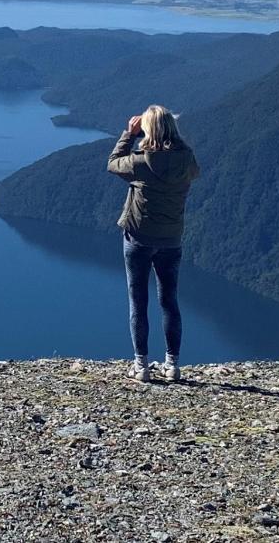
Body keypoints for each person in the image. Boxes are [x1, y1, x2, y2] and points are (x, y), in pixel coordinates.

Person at [107, 104, 200, 382]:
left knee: (139, 301)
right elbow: (194, 172)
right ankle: (172, 365)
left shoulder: (139, 162)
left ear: (147, 128)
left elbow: (113, 163)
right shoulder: (187, 160)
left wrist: (128, 134)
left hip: (138, 238)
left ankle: (142, 365)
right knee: (169, 301)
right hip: (171, 240)